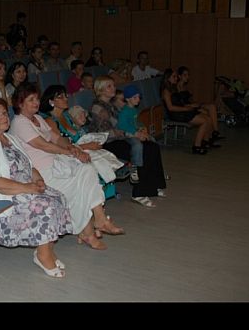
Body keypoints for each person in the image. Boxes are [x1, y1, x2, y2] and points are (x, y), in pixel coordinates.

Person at [9, 83, 124, 249]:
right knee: (79, 188)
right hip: (40, 173)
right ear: (20, 103)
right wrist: (70, 153)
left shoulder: (38, 118)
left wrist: (71, 147)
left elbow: (56, 138)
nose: (36, 102)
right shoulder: (19, 122)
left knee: (87, 169)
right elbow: (43, 145)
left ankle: (97, 220)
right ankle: (89, 231)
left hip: (56, 165)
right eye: (31, 100)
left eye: (37, 99)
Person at [0, 97, 73, 278]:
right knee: (45, 205)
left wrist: (38, 180)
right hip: (6, 194)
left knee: (58, 197)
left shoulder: (10, 139)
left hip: (26, 187)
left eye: (4, 113)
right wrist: (27, 188)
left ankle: (47, 249)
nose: (4, 117)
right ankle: (43, 256)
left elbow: (29, 164)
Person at [90, 75, 167, 207]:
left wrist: (140, 130)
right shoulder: (97, 107)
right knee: (144, 150)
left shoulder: (113, 104)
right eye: (109, 86)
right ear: (100, 89)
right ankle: (139, 193)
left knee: (152, 146)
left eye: (113, 85)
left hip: (121, 138)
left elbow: (128, 121)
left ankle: (154, 186)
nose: (113, 88)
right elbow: (106, 133)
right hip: (107, 143)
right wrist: (133, 134)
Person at [161, 68, 217, 155]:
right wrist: (186, 108)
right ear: (168, 78)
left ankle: (205, 141)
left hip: (182, 111)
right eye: (174, 76)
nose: (176, 78)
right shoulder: (166, 91)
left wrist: (189, 106)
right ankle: (196, 146)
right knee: (204, 121)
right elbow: (170, 108)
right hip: (176, 114)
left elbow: (180, 102)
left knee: (208, 118)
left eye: (176, 76)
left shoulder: (173, 88)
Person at [116, 85, 152, 184]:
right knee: (137, 145)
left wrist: (142, 128)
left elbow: (137, 122)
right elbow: (122, 125)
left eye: (139, 97)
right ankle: (135, 168)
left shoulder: (134, 110)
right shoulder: (124, 111)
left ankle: (151, 169)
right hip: (127, 134)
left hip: (135, 132)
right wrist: (136, 133)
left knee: (151, 140)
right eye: (135, 97)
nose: (138, 100)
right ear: (127, 99)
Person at [176, 66, 223, 141]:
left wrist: (197, 103)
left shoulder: (185, 87)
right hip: (188, 108)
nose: (187, 77)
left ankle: (215, 132)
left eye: (188, 75)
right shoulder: (177, 87)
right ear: (179, 76)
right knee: (207, 112)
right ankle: (209, 136)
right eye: (185, 75)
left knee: (212, 107)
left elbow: (190, 99)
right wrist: (193, 105)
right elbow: (180, 102)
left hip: (193, 105)